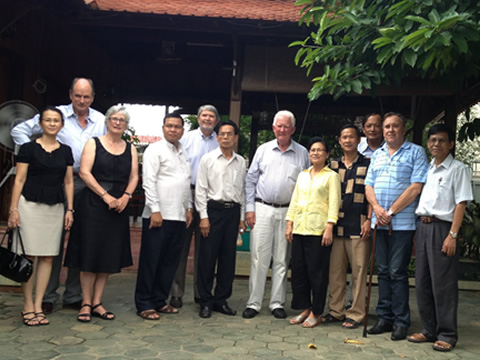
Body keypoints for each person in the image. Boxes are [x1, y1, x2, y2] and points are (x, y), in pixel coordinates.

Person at [10, 77, 106, 314]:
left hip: (88, 183)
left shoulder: (101, 120)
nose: (81, 100)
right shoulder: (56, 115)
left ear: (92, 98)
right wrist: (36, 154)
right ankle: (48, 296)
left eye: (86, 96)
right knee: (50, 242)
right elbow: (18, 129)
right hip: (56, 183)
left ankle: (74, 294)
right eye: (77, 95)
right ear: (70, 95)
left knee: (82, 239)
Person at [64, 105, 138, 322]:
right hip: (93, 205)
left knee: (108, 255)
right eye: (114, 119)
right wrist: (105, 196)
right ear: (107, 121)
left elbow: (134, 176)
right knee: (89, 253)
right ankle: (85, 303)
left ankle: (97, 302)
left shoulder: (130, 148)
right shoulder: (93, 143)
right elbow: (85, 173)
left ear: (126, 125)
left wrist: (125, 196)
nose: (117, 123)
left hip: (119, 206)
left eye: (122, 120)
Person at [408, 124, 473, 352]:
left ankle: (447, 333)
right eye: (433, 140)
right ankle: (429, 330)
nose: (436, 144)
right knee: (423, 281)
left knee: (442, 284)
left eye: (442, 140)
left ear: (451, 144)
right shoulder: (427, 168)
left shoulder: (458, 169)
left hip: (443, 229)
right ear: (428, 144)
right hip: (423, 227)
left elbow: (461, 202)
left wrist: (452, 235)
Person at [7, 106, 74, 326]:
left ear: (61, 125)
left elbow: (68, 182)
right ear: (41, 124)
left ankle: (38, 304)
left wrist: (70, 209)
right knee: (28, 256)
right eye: (48, 120)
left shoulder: (66, 151)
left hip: (54, 207)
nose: (52, 124)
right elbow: (19, 179)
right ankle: (27, 305)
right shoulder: (27, 148)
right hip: (29, 205)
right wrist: (13, 209)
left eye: (56, 120)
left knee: (47, 256)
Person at [365, 112, 429, 340]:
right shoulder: (378, 154)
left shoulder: (416, 152)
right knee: (382, 271)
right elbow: (368, 186)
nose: (390, 130)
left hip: (401, 224)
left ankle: (402, 320)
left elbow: (416, 187)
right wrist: (378, 210)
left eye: (395, 126)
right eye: (387, 127)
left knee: (397, 272)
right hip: (378, 223)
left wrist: (390, 211)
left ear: (404, 130)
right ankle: (385, 317)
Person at [242, 110, 309, 320]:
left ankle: (277, 303)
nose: (282, 129)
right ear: (273, 128)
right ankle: (254, 303)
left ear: (293, 129)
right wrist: (249, 209)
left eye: (286, 126)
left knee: (282, 259)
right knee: (259, 258)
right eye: (278, 126)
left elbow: (307, 184)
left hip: (288, 211)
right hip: (262, 208)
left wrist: (298, 215)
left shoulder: (302, 153)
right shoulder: (263, 150)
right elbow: (250, 180)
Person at [135, 113, 192, 320]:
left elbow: (186, 182)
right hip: (158, 215)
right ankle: (144, 303)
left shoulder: (183, 152)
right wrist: (155, 210)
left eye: (177, 126)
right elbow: (148, 182)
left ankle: (159, 300)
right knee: (151, 260)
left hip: (178, 216)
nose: (173, 129)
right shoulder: (155, 150)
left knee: (169, 262)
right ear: (163, 128)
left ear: (182, 130)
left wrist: (188, 208)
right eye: (169, 126)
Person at [285, 137, 341, 328]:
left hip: (319, 231)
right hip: (300, 228)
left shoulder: (331, 176)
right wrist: (289, 223)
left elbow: (334, 203)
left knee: (317, 273)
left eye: (320, 150)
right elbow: (295, 200)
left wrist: (330, 226)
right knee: (299, 272)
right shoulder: (303, 174)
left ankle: (317, 312)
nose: (315, 153)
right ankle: (304, 308)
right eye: (312, 150)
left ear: (326, 154)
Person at [169, 105, 220, 309]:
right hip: (187, 194)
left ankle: (202, 293)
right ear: (198, 118)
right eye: (204, 115)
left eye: (211, 116)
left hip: (210, 198)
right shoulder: (186, 138)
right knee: (180, 247)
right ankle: (175, 293)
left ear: (216, 120)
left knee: (205, 248)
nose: (207, 119)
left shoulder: (221, 140)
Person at [195, 120, 246, 318]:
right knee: (207, 257)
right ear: (217, 137)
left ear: (235, 138)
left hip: (232, 212)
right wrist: (203, 217)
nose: (225, 137)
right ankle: (205, 300)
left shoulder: (241, 161)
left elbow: (241, 191)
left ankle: (221, 299)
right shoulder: (208, 159)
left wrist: (241, 218)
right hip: (213, 211)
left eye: (229, 134)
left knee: (228, 258)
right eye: (222, 134)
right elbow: (201, 190)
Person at [324, 124, 371, 329]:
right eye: (344, 137)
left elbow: (372, 193)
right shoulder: (332, 166)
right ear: (339, 140)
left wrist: (370, 219)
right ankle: (336, 310)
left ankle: (356, 313)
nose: (348, 140)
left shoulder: (368, 163)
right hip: (336, 226)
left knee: (359, 273)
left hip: (359, 226)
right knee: (335, 271)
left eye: (352, 137)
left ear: (358, 139)